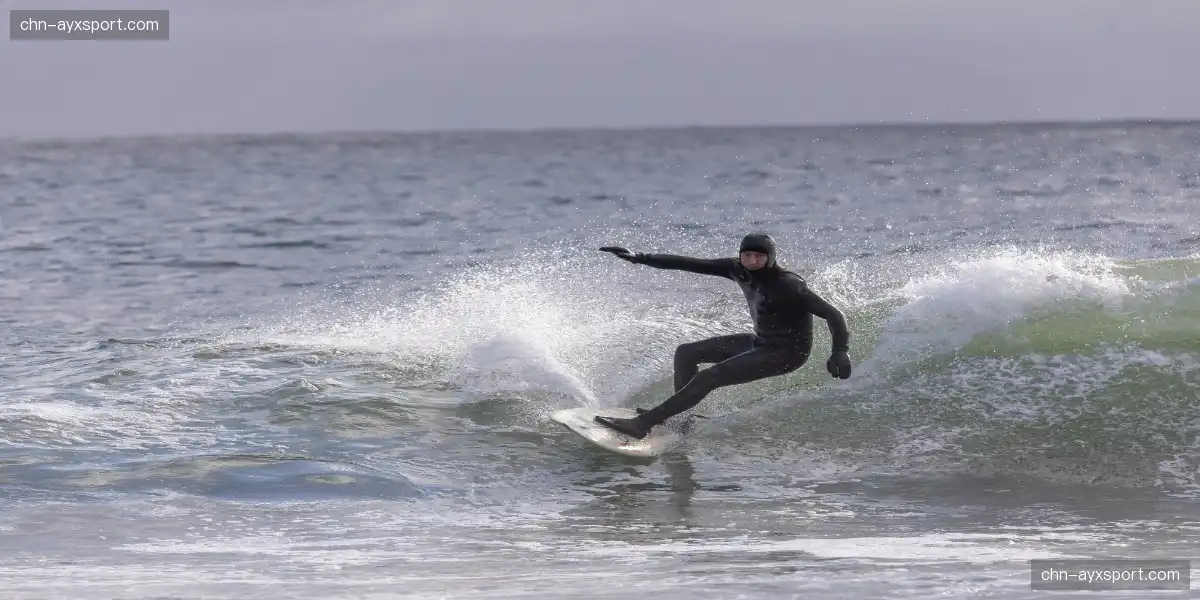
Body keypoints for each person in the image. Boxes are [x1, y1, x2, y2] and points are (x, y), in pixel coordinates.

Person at [593, 233, 852, 439]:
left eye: (759, 257)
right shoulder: (737, 269)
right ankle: (678, 420)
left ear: (771, 258)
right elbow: (690, 264)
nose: (752, 261)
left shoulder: (789, 285)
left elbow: (833, 314)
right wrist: (640, 257)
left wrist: (839, 350)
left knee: (710, 377)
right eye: (747, 255)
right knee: (687, 352)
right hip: (760, 343)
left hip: (786, 354)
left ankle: (644, 424)